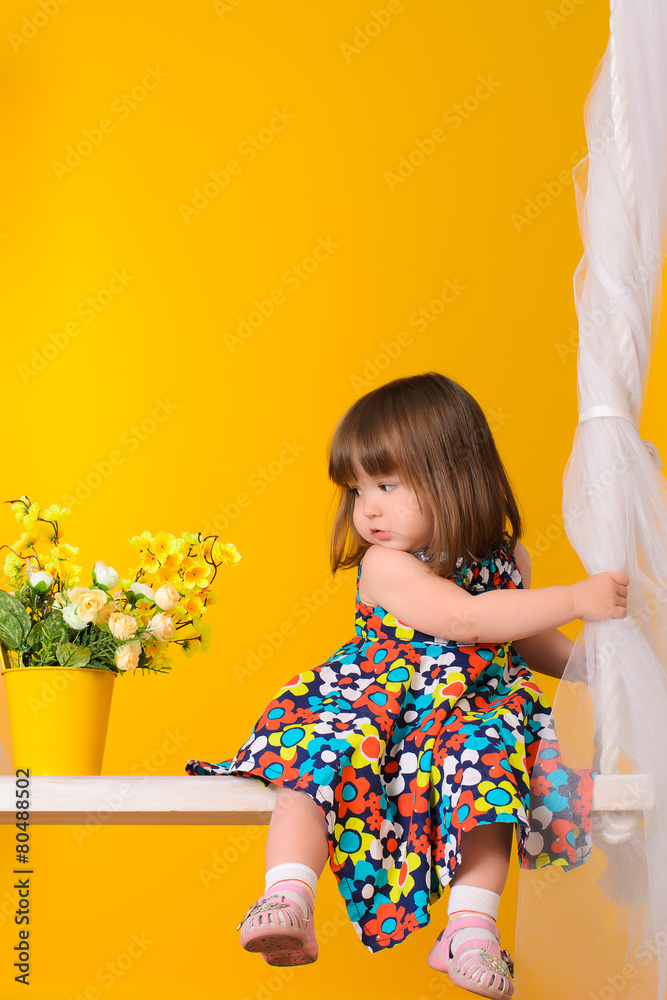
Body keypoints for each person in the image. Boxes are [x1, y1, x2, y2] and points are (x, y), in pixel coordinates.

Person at [186, 372, 628, 1000]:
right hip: (375, 701)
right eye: (356, 489)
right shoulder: (385, 563)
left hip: (467, 711)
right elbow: (467, 619)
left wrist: (596, 664)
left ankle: (471, 928)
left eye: (386, 485)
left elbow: (519, 638)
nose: (367, 508)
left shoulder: (509, 560)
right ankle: (288, 893)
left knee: (490, 772)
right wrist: (576, 598)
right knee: (314, 757)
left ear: (455, 473)